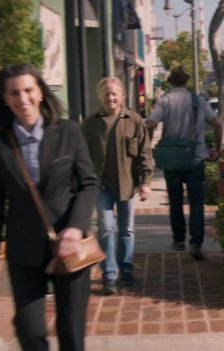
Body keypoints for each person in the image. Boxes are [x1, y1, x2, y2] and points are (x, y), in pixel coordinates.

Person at [0, 63, 99, 351]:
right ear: (4, 98)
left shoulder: (68, 132)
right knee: (29, 330)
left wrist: (75, 228)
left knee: (71, 333)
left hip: (70, 248)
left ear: (40, 92)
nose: (22, 99)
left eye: (28, 90)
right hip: (23, 250)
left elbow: (88, 183)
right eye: (14, 93)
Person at [82, 77, 153, 295]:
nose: (110, 97)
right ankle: (110, 275)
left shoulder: (134, 120)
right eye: (106, 94)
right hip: (101, 185)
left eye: (114, 94)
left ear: (122, 96)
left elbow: (145, 153)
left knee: (126, 230)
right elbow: (82, 155)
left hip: (127, 185)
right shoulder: (90, 123)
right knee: (106, 228)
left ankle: (127, 270)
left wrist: (146, 182)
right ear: (100, 97)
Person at [147, 67, 222, 260]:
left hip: (172, 159)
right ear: (186, 82)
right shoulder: (198, 100)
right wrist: (218, 147)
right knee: (197, 203)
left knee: (175, 201)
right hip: (195, 158)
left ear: (171, 82)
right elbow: (217, 123)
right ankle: (196, 243)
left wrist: (147, 147)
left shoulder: (165, 101)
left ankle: (178, 239)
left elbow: (151, 123)